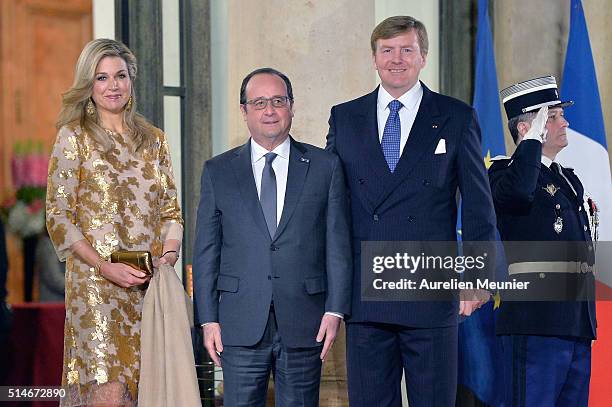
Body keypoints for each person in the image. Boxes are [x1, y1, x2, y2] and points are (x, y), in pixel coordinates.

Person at [326, 16, 497, 406]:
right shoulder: (345, 117)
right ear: (374, 58)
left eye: (406, 50)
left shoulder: (455, 116)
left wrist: (478, 274)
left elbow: (478, 204)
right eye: (387, 51)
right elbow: (331, 203)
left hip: (430, 291)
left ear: (423, 57)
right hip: (366, 293)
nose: (396, 59)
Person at [193, 67, 352, 406]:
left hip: (306, 321)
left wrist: (335, 310)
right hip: (238, 323)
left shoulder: (325, 167)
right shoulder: (218, 171)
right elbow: (207, 251)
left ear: (292, 107)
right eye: (260, 102)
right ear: (244, 111)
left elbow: (337, 245)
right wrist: (207, 319)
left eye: (278, 101)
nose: (269, 110)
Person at [46, 38, 183, 406]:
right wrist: (104, 267)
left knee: (149, 389)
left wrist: (168, 257)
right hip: (96, 290)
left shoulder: (154, 140)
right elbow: (58, 216)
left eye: (120, 76)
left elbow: (171, 212)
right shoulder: (73, 137)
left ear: (131, 80)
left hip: (148, 286)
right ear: (88, 85)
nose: (113, 86)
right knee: (109, 392)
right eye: (102, 78)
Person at [490, 75, 596, 406]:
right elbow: (520, 193)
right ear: (527, 127)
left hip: (575, 324)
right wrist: (531, 143)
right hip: (535, 323)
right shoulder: (502, 173)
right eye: (552, 117)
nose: (565, 122)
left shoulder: (567, 179)